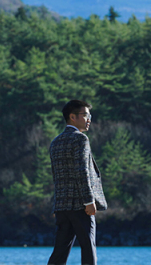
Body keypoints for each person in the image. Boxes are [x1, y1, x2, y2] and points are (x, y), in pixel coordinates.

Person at [47, 100, 107, 265]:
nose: (89, 119)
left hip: (62, 206)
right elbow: (82, 172)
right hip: (81, 205)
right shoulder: (80, 139)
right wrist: (89, 201)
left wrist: (58, 204)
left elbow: (56, 175)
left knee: (59, 252)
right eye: (85, 115)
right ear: (72, 117)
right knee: (88, 247)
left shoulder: (55, 142)